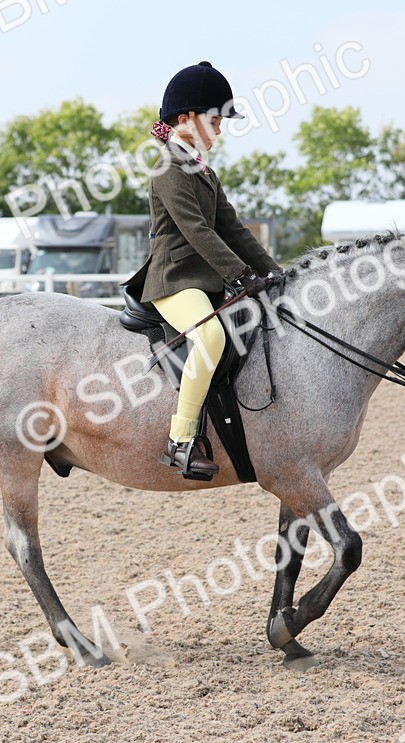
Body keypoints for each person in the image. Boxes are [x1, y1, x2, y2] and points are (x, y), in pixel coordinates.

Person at [122, 60, 280, 479]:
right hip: (174, 280)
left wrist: (274, 272)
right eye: (215, 121)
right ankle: (180, 441)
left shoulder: (202, 169)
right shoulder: (167, 168)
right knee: (210, 337)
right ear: (185, 118)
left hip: (204, 279)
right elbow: (196, 231)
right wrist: (240, 274)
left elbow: (233, 228)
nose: (220, 130)